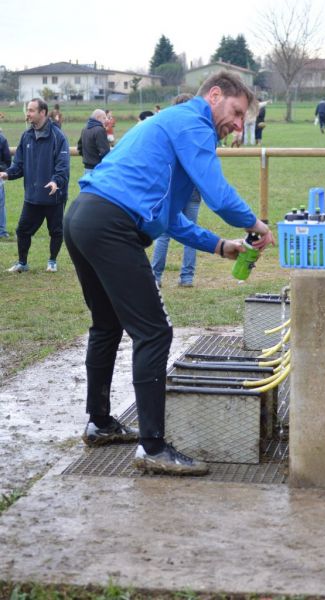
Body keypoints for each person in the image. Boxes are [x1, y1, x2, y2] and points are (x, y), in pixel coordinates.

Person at [63, 70, 274, 476]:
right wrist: (255, 225)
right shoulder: (192, 122)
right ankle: (153, 447)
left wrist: (220, 246)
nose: (238, 123)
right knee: (155, 332)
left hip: (84, 215)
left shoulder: (174, 126)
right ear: (214, 95)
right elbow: (217, 193)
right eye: (237, 111)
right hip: (110, 224)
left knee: (107, 324)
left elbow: (170, 218)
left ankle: (100, 422)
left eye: (244, 117)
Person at [0, 98, 69, 273]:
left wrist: (55, 181)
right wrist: (7, 174)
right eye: (28, 110)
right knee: (22, 230)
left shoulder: (58, 137)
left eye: (31, 110)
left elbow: (63, 167)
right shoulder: (27, 135)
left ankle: (52, 261)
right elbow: (19, 165)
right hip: (33, 196)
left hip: (54, 196)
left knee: (56, 231)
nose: (27, 113)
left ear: (43, 112)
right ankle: (22, 263)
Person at [151, 93, 201, 288]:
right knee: (192, 234)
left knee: (163, 234)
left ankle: (155, 276)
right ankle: (187, 277)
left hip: (170, 191)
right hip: (193, 190)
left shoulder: (167, 131)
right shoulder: (198, 132)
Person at [77, 109, 110, 173]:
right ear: (98, 118)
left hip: (86, 169)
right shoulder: (100, 130)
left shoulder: (84, 129)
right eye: (104, 118)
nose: (106, 120)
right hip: (97, 169)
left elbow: (79, 147)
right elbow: (105, 151)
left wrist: (88, 158)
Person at [0, 128, 11, 238]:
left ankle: (2, 231)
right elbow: (7, 161)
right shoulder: (2, 139)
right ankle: (1, 231)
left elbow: (7, 161)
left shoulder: (2, 139)